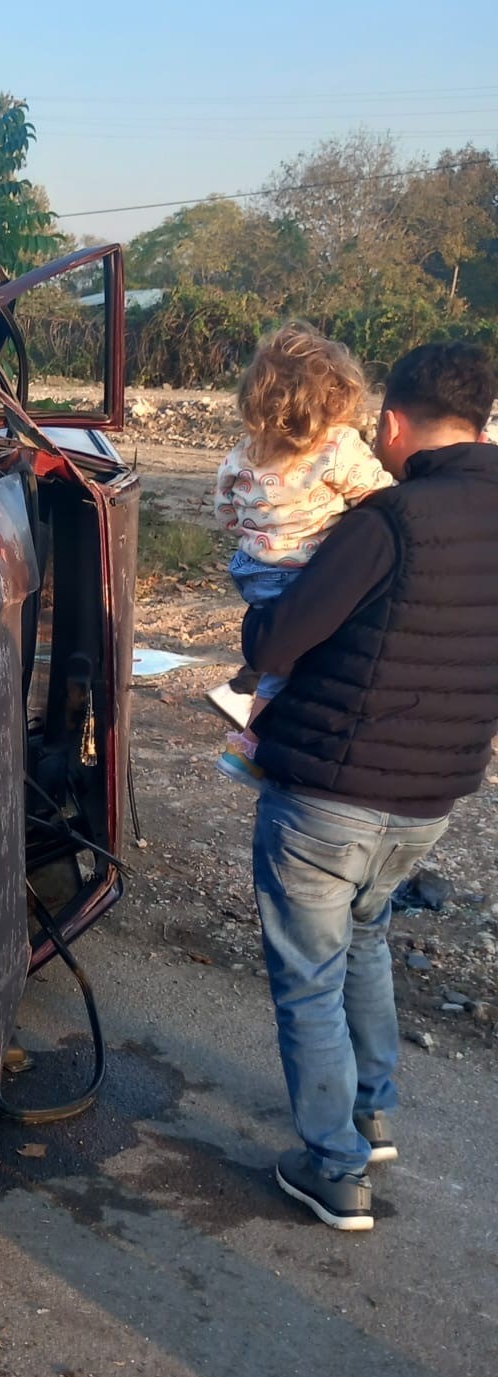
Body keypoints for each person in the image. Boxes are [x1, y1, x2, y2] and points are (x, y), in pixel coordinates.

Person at [242, 341, 498, 1232]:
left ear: (392, 424)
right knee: (367, 938)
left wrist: (258, 618)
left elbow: (276, 645)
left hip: (331, 794)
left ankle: (336, 1167)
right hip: (435, 796)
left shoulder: (389, 522)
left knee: (310, 974)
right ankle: (372, 1112)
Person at [213, 324, 392, 787]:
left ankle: (251, 735)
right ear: (336, 395)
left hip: (253, 571)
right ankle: (250, 745)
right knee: (298, 669)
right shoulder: (337, 446)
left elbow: (226, 513)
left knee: (278, 662)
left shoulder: (244, 451)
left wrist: (258, 535)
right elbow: (382, 496)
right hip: (304, 575)